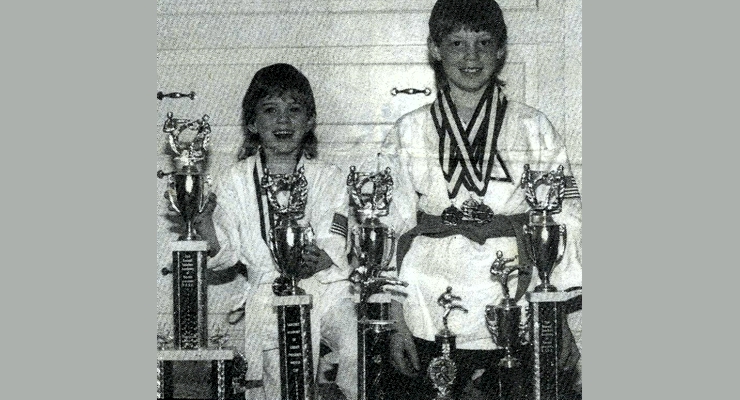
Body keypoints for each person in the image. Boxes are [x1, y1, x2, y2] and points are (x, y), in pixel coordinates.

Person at [379, 1, 583, 398]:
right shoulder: (408, 130)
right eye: (457, 43)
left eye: (483, 42)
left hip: (514, 289)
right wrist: (395, 316)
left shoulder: (533, 127)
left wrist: (554, 312)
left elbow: (564, 218)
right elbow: (388, 220)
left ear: (501, 50)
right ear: (435, 49)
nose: (471, 56)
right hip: (427, 290)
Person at [201, 63, 358, 400]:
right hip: (269, 292)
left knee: (356, 344)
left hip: (325, 288)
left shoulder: (328, 176)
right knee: (274, 382)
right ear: (252, 123)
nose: (283, 121)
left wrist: (322, 257)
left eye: (294, 110)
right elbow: (225, 249)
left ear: (311, 121)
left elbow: (335, 231)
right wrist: (200, 224)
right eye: (270, 110)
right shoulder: (235, 180)